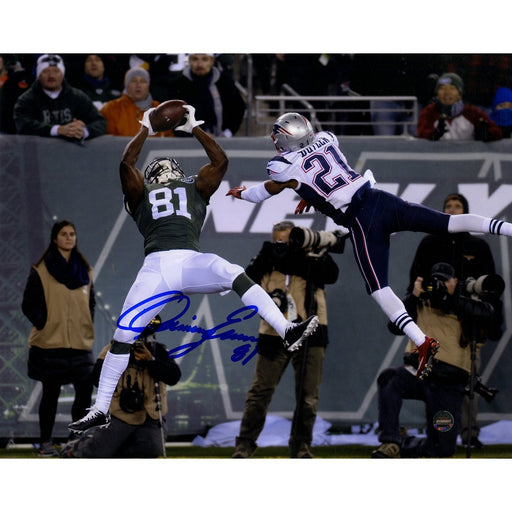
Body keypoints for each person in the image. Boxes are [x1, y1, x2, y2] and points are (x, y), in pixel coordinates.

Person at [68, 103, 319, 435]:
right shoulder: (160, 191)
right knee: (127, 334)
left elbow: (208, 162)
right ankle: (100, 409)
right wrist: (169, 127)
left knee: (227, 275)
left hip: (174, 263)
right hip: (169, 264)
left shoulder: (171, 189)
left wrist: (171, 127)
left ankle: (286, 330)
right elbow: (135, 163)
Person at [226, 112, 512, 381]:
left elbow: (270, 189)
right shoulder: (327, 138)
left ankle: (422, 341)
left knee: (378, 288)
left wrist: (243, 194)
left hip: (362, 219)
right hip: (379, 199)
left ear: (285, 138)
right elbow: (324, 173)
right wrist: (307, 191)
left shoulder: (281, 167)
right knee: (449, 223)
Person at [232, 220, 341, 459]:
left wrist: (302, 252)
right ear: (273, 240)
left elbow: (332, 274)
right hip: (273, 332)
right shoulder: (266, 257)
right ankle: (244, 445)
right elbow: (248, 279)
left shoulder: (313, 254)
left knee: (308, 396)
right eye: (279, 241)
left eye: (289, 240)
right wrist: (269, 254)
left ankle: (301, 447)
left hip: (312, 330)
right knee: (260, 392)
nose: (284, 246)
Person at [407, 193, 503, 448]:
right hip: (432, 322)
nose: (452, 209)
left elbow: (490, 289)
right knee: (434, 385)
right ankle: (437, 435)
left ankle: (469, 435)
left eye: (457, 206)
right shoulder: (429, 243)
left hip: (466, 325)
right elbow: (414, 281)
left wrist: (494, 323)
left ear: (466, 212)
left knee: (467, 382)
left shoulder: (478, 247)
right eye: (447, 206)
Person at [372, 262, 493, 458]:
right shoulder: (421, 300)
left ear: (455, 282)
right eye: (436, 280)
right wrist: (413, 297)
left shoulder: (466, 302)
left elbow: (489, 315)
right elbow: (394, 326)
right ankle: (390, 441)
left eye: (444, 281)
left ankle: (405, 443)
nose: (439, 285)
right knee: (390, 378)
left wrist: (449, 299)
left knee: (441, 450)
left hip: (450, 383)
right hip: (421, 373)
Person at [21, 220, 96, 456]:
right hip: (50, 344)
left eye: (72, 234)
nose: (69, 238)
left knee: (84, 394)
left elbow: (90, 303)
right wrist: (46, 323)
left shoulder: (85, 271)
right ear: (55, 239)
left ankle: (75, 441)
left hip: (80, 344)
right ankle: (45, 442)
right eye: (63, 234)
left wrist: (86, 323)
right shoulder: (40, 271)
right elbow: (28, 305)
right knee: (50, 395)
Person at [60, 316, 181, 458]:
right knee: (98, 453)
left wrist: (150, 361)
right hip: (119, 414)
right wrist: (119, 358)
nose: (138, 342)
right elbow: (96, 380)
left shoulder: (158, 351)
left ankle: (117, 451)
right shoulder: (112, 349)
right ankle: (75, 448)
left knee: (152, 449)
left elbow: (174, 377)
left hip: (150, 416)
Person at [13, 54, 106, 143]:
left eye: (56, 71)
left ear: (62, 74)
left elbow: (100, 122)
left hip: (72, 153)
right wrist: (57, 130)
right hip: (38, 153)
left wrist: (83, 131)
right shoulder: (27, 100)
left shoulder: (77, 96)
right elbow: (23, 125)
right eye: (46, 71)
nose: (51, 76)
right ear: (39, 75)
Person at [167, 53, 246, 138]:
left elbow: (238, 109)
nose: (199, 64)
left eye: (204, 59)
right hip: (188, 143)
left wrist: (226, 134)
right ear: (189, 61)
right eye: (195, 59)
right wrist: (194, 136)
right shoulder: (178, 85)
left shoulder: (225, 83)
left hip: (221, 140)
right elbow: (173, 117)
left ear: (212, 61)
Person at [417, 73, 502, 141]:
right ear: (437, 94)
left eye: (452, 88)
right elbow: (422, 136)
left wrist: (485, 134)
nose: (447, 92)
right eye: (442, 88)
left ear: (459, 95)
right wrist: (435, 135)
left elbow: (497, 132)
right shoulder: (429, 112)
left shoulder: (471, 112)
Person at [100, 67, 174, 137]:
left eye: (143, 81)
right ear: (126, 86)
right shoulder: (110, 109)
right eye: (134, 81)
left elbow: (167, 140)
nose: (138, 85)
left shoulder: (159, 109)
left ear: (148, 86)